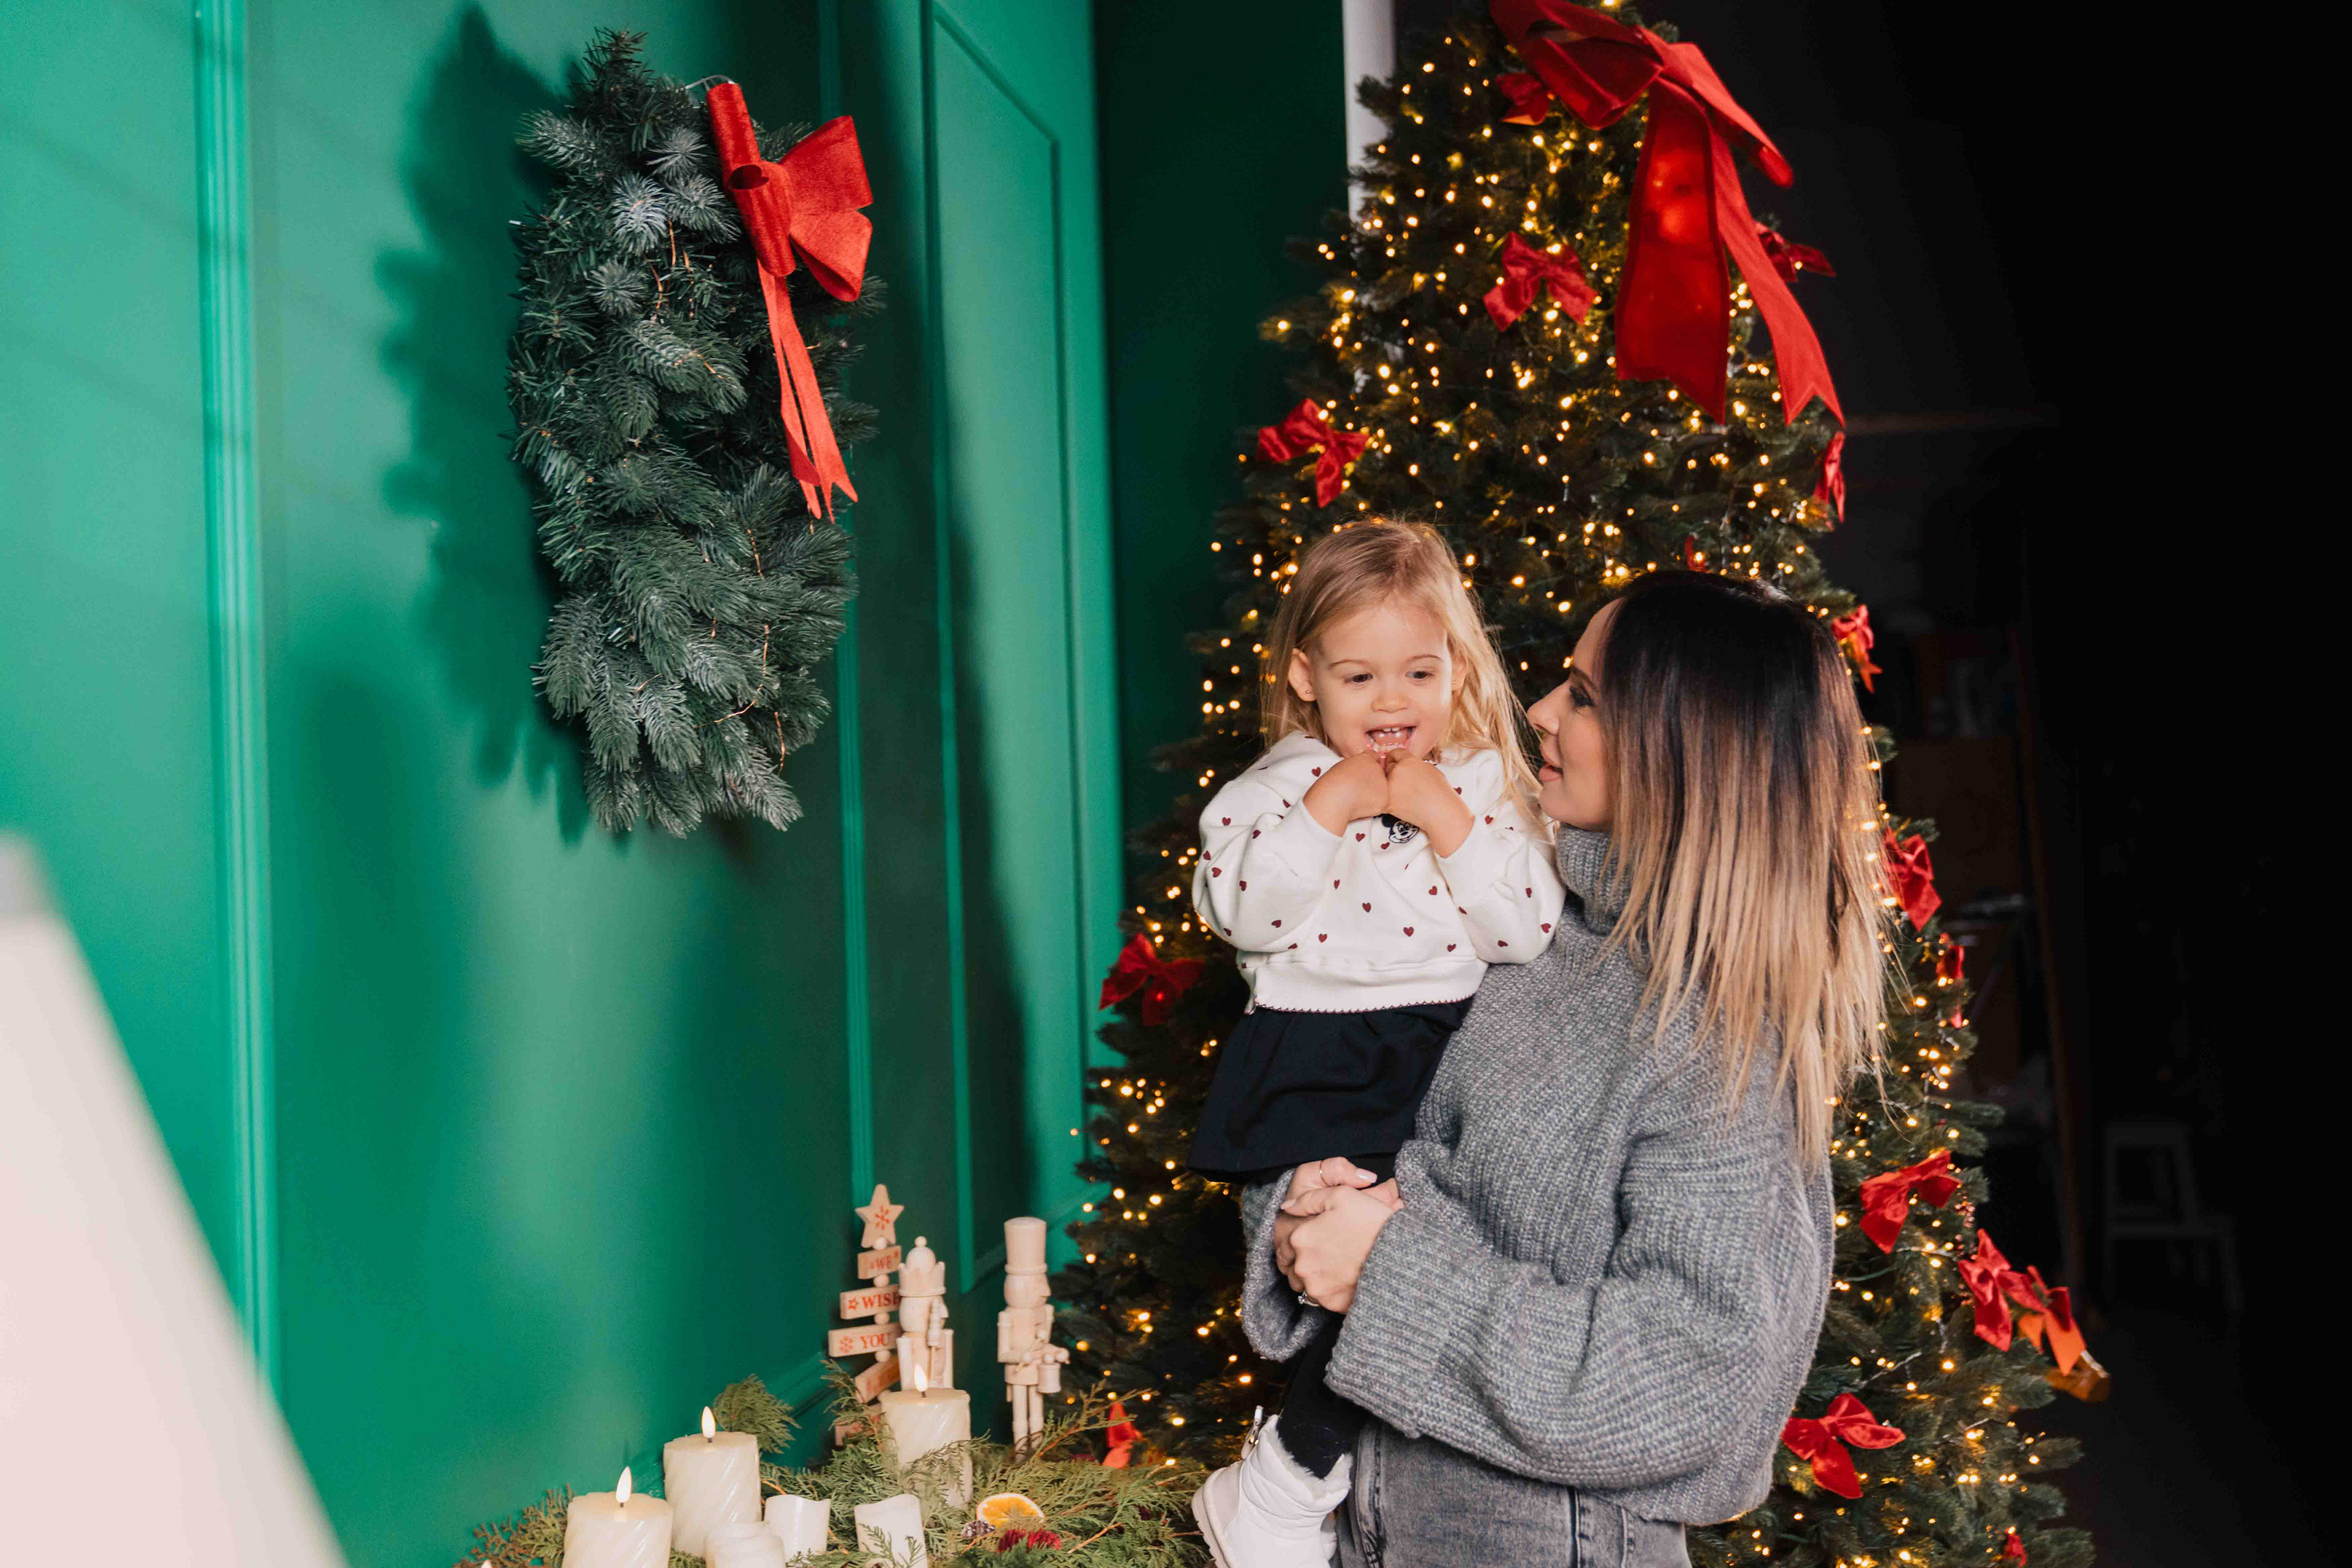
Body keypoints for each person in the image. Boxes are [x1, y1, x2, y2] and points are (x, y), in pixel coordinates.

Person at [1248, 571, 1887, 1567]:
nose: (1539, 710)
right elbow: (1345, 1106)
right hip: (1365, 1525)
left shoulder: (1714, 1032)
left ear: (1681, 750)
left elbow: (1688, 1387)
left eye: (1584, 697)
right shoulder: (1504, 911)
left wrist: (1382, 1269)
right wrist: (1298, 1207)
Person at [1187, 521, 1564, 1568]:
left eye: (1420, 673)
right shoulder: (1271, 790)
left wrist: (1449, 823)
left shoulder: (1483, 784)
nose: (1393, 702)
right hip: (1311, 1056)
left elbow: (1524, 932)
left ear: (1458, 670)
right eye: (1360, 677)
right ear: (1305, 676)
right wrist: (1328, 808)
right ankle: (1298, 1478)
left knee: (1418, 1266)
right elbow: (1243, 915)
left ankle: (1286, 1479)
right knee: (1351, 1271)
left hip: (1450, 1053)